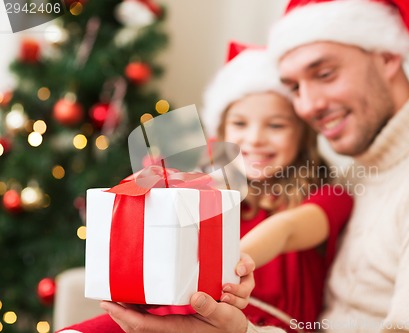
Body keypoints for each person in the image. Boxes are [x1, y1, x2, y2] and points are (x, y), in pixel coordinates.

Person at [97, 0, 409, 332]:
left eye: (324, 73)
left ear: (389, 57)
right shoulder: (368, 172)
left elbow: (289, 232)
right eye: (293, 88)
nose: (307, 106)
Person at [57, 42, 353, 333]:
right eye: (239, 124)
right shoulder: (206, 194)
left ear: (303, 135)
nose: (255, 139)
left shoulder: (329, 195)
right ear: (222, 133)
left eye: (276, 126)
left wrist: (231, 262)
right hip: (190, 311)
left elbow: (286, 229)